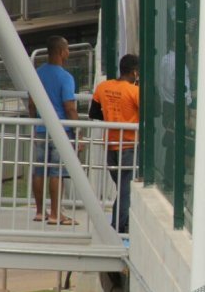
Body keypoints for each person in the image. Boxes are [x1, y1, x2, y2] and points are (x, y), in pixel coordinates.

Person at [30, 36, 79, 225]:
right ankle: (56, 214)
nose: (68, 52)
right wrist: (77, 132)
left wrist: (35, 120)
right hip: (61, 130)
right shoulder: (66, 77)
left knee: (39, 170)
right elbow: (69, 107)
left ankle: (40, 211)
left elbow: (32, 104)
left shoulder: (37, 73)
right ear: (61, 52)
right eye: (67, 49)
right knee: (57, 172)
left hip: (42, 128)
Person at [89, 54, 139, 233]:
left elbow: (93, 113)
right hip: (129, 145)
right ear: (135, 72)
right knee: (127, 190)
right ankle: (117, 226)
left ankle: (123, 222)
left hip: (110, 145)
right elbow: (150, 113)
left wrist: (112, 117)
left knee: (123, 188)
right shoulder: (134, 91)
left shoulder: (103, 87)